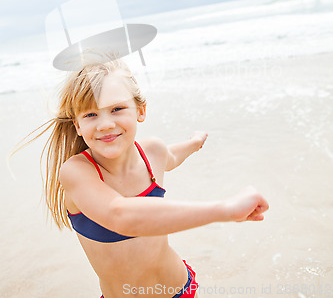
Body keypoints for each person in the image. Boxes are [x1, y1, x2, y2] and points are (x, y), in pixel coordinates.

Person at [20, 58, 269, 298]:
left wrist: (195, 142)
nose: (105, 124)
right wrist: (225, 210)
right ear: (77, 125)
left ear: (140, 110)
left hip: (180, 289)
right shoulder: (77, 172)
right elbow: (121, 215)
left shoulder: (152, 152)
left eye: (117, 109)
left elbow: (172, 155)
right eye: (90, 115)